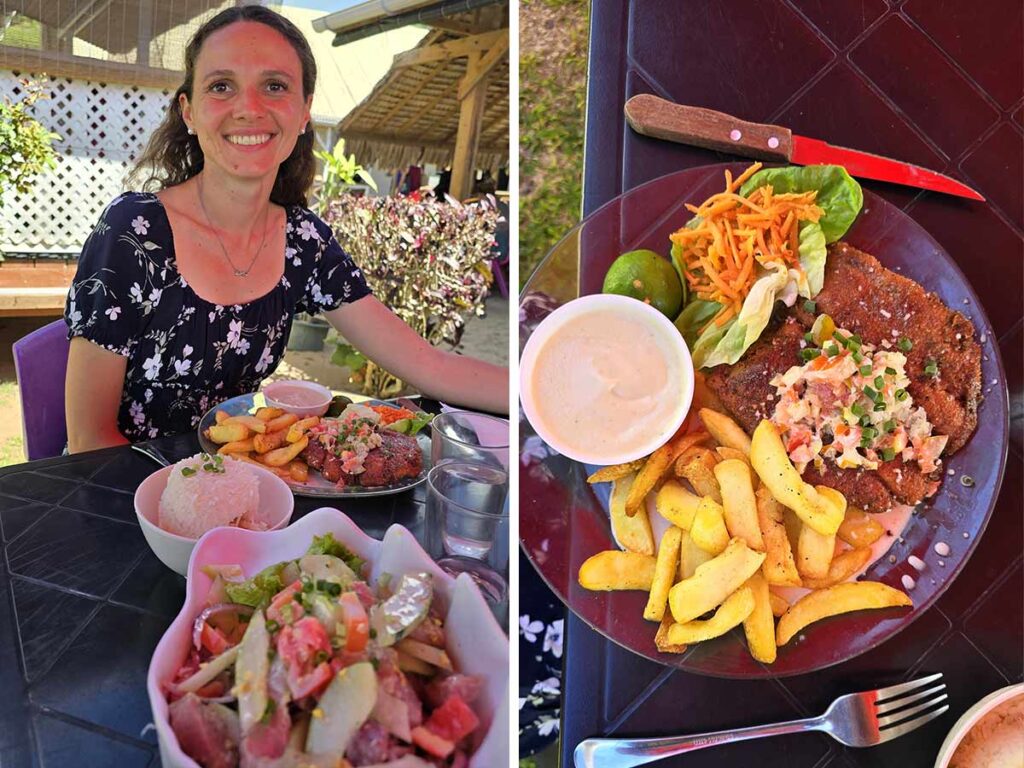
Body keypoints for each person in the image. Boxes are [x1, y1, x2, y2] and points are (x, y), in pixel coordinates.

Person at [63, 5, 508, 453]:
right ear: (190, 112)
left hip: (246, 492)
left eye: (274, 86)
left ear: (303, 113)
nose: (249, 108)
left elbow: (427, 365)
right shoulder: (134, 231)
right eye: (221, 86)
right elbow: (88, 441)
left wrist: (535, 396)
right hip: (123, 494)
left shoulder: (304, 242)